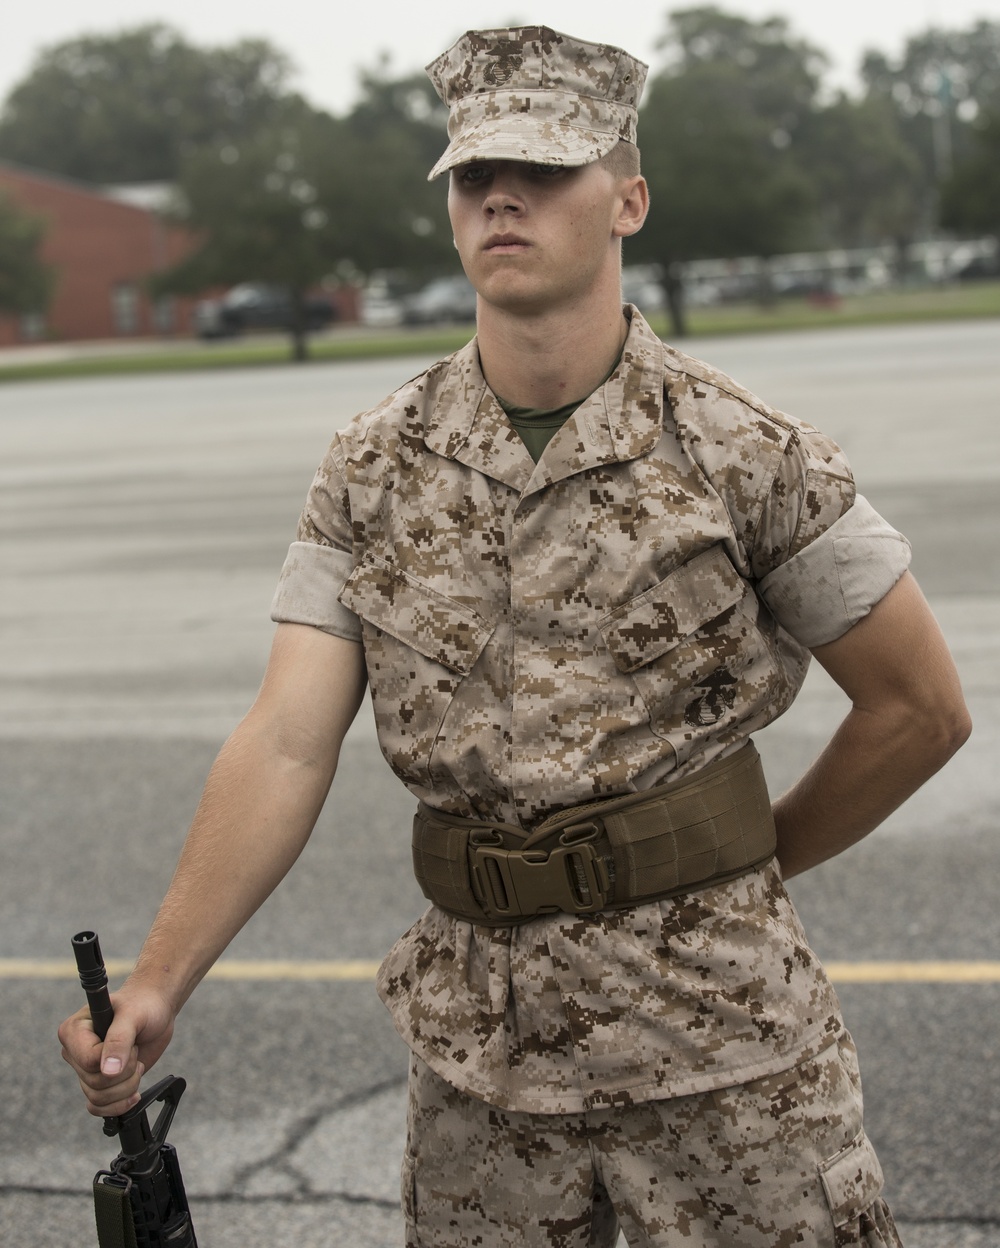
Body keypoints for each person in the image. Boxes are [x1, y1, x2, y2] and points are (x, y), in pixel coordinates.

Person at [60, 25, 971, 1248]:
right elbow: (285, 740)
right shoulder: (373, 466)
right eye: (474, 173)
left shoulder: (745, 451)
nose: (502, 193)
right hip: (482, 1079)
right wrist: (160, 979)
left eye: (545, 171)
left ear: (628, 199)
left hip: (726, 1057)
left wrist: (743, 864)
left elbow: (919, 708)